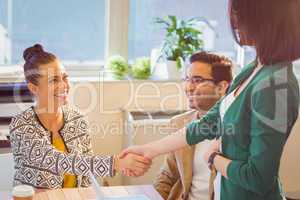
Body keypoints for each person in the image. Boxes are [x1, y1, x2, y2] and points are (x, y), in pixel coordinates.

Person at [121, 0, 300, 199]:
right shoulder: (253, 68)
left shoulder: (276, 85)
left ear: (267, 19)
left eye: (240, 14)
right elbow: (208, 123)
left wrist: (214, 158)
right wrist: (148, 150)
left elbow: (258, 177)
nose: (234, 22)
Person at [9, 44, 151, 189]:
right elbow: (55, 160)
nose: (64, 85)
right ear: (34, 88)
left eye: (65, 77)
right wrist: (116, 163)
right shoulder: (21, 125)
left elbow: (86, 170)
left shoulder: (77, 119)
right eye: (54, 80)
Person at [153, 52, 233, 200]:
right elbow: (168, 176)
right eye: (187, 79)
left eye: (197, 80)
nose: (189, 87)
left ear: (221, 87)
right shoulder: (179, 123)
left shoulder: (235, 127)